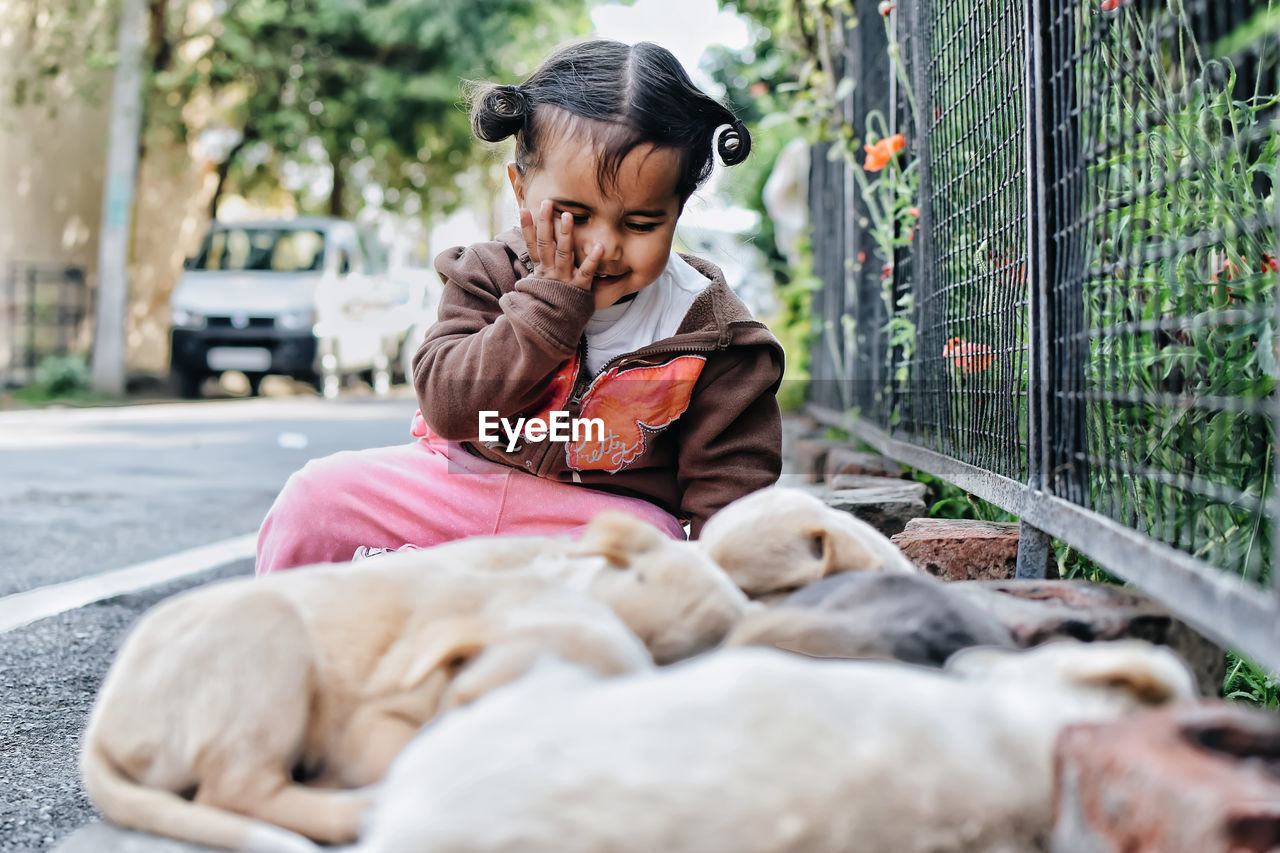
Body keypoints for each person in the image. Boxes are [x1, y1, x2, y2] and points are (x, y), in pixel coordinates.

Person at [255, 39, 783, 575]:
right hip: (454, 488)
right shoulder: (486, 272)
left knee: (660, 552)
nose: (602, 247)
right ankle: (292, 644)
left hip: (601, 528)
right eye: (574, 215)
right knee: (312, 502)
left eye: (641, 223)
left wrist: (726, 586)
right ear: (520, 188)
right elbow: (448, 406)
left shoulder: (715, 334)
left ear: (677, 210)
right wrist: (548, 309)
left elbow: (732, 501)